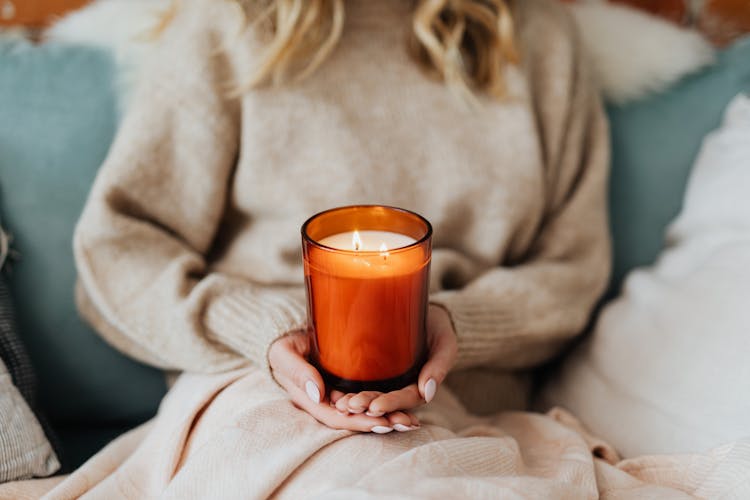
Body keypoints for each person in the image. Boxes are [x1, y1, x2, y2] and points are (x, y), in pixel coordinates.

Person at [64, 0, 609, 495]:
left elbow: (571, 269)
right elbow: (118, 251)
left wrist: (451, 322)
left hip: (468, 409)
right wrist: (267, 330)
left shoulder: (537, 37)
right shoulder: (229, 24)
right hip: (263, 386)